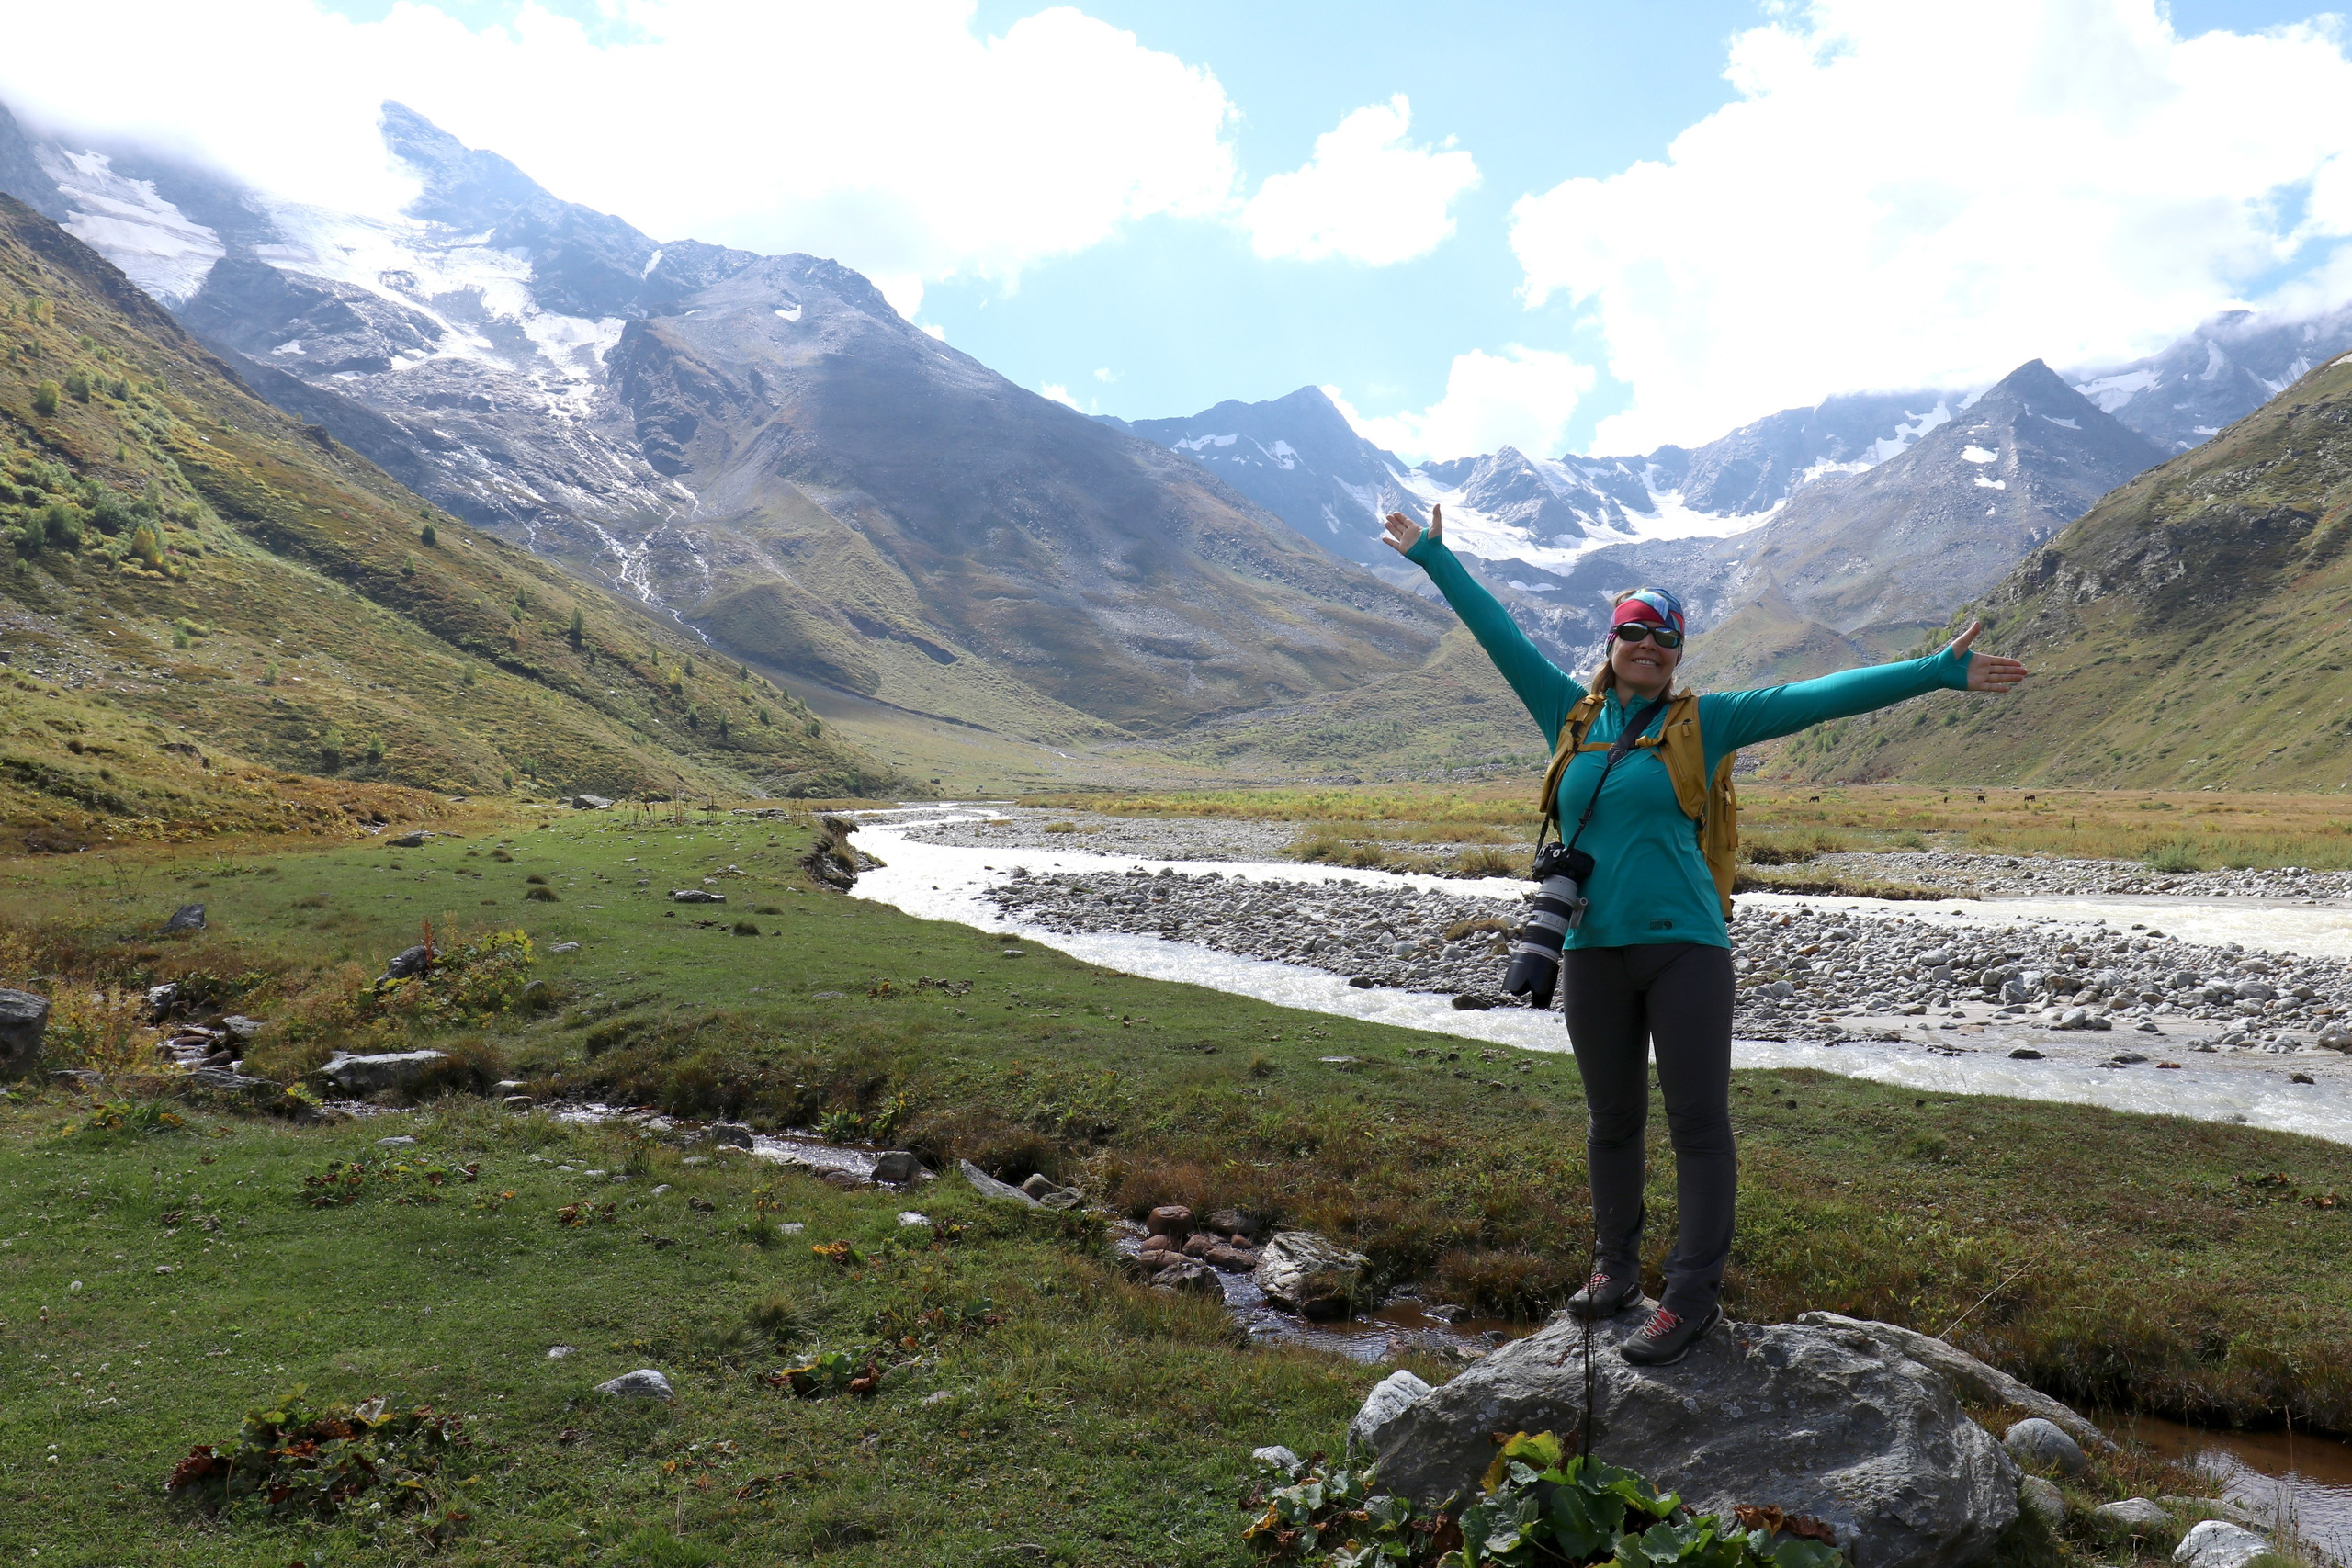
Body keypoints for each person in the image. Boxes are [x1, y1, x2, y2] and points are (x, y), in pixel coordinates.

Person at [1383, 503, 2028, 1366]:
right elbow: (1496, 633)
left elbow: (1816, 698)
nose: (1650, 644)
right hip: (1592, 950)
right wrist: (1434, 557)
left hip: (1687, 946)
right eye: (1634, 631)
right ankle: (1614, 1272)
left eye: (1667, 636)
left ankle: (1690, 1298)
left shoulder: (1705, 722)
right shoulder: (1568, 717)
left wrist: (1932, 672)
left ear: (1679, 653)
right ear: (1610, 644)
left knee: (1696, 1122)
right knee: (1611, 1119)